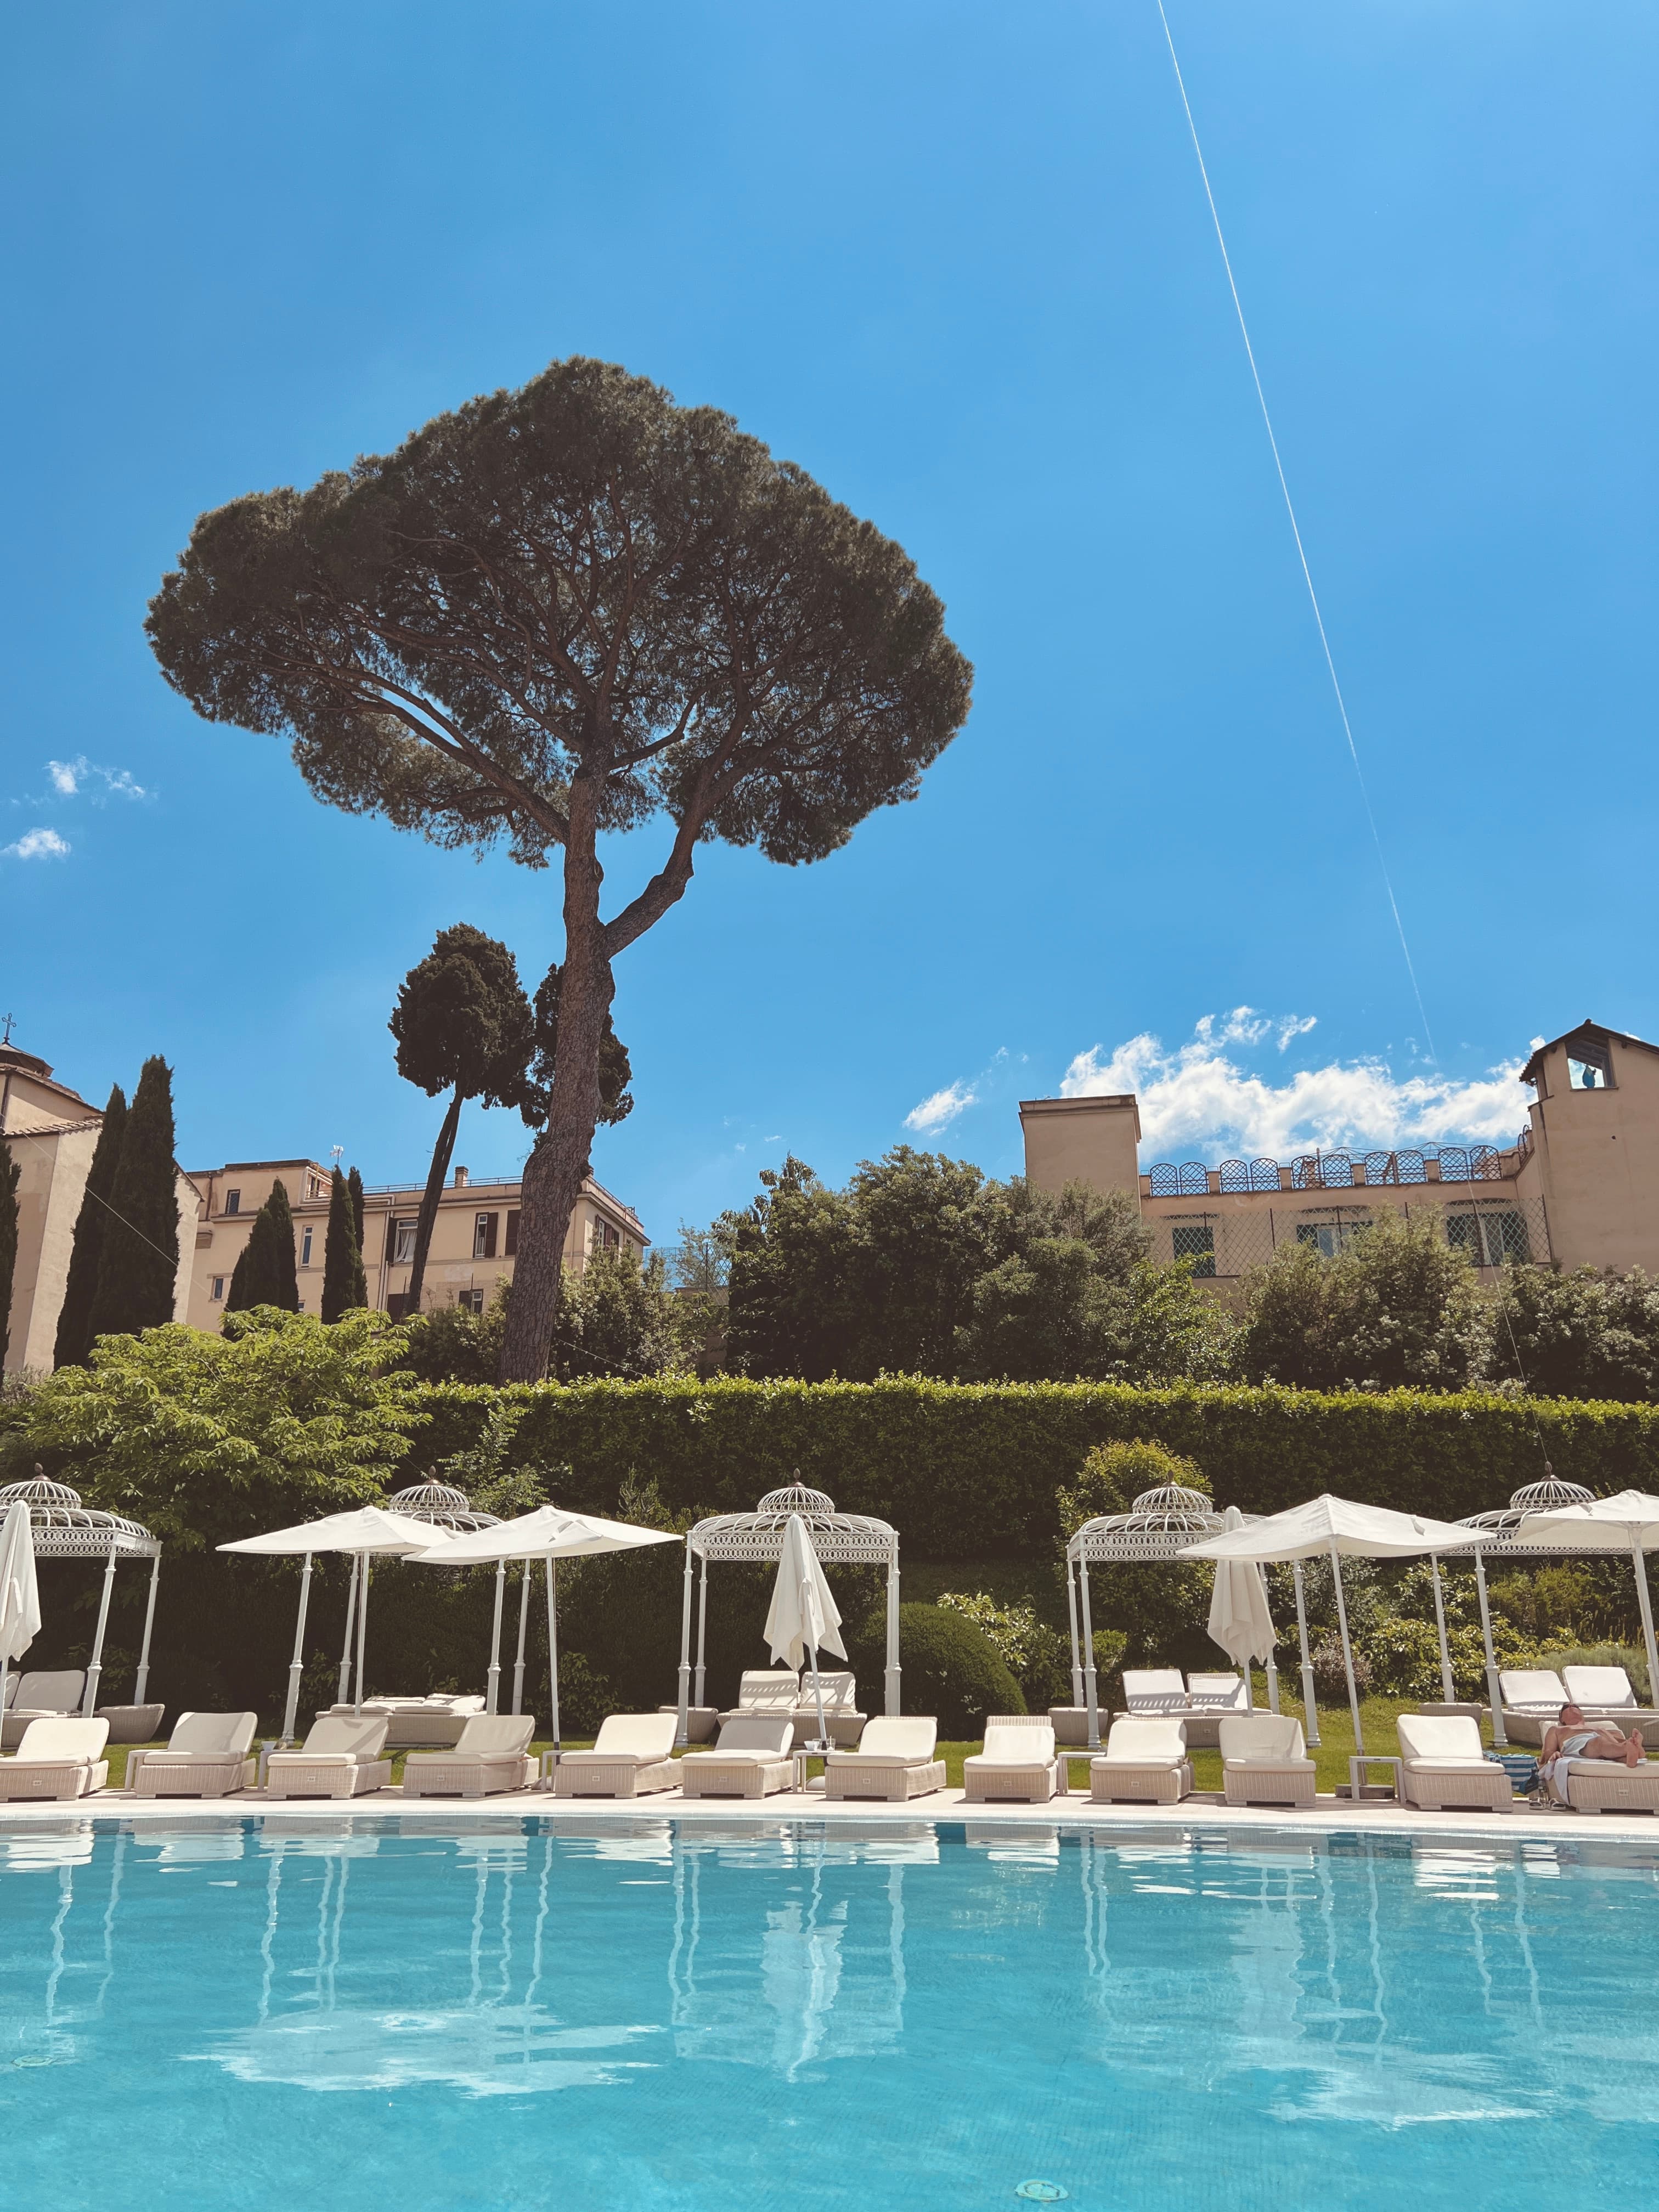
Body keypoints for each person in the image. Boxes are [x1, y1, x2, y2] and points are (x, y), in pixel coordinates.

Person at [1538, 1701, 1646, 1802]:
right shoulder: (1557, 1730)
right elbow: (1548, 1751)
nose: (1571, 1707)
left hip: (1604, 1745)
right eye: (1566, 1707)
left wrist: (1628, 1745)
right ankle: (1629, 1749)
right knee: (1600, 1743)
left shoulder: (1600, 1729)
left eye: (1575, 1706)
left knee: (1613, 1749)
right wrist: (1554, 1755)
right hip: (1576, 1742)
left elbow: (1615, 1744)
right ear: (1562, 1719)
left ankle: (1630, 1753)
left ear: (1582, 1715)